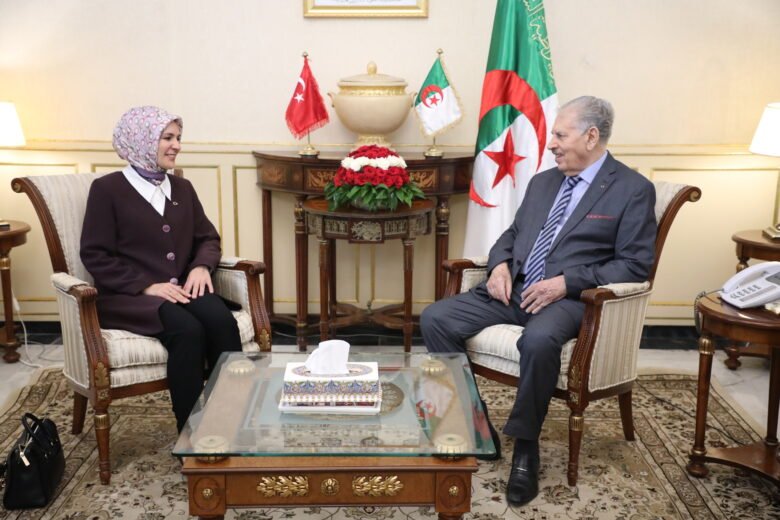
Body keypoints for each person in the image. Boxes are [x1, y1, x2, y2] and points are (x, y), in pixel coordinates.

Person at [421, 96, 656, 506]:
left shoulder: (632, 190)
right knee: (436, 318)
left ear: (591, 136)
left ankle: (526, 447)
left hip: (570, 299)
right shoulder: (543, 182)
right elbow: (513, 234)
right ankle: (474, 426)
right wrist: (499, 265)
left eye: (561, 136)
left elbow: (635, 265)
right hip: (514, 289)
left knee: (539, 341)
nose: (552, 145)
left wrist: (567, 283)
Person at [80, 106, 242, 433]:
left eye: (178, 137)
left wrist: (201, 267)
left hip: (181, 287)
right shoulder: (107, 190)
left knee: (221, 321)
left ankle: (232, 420)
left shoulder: (182, 188)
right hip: (129, 296)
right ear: (142, 140)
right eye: (167, 138)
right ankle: (192, 434)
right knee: (187, 331)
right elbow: (95, 254)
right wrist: (146, 286)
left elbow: (207, 238)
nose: (177, 145)